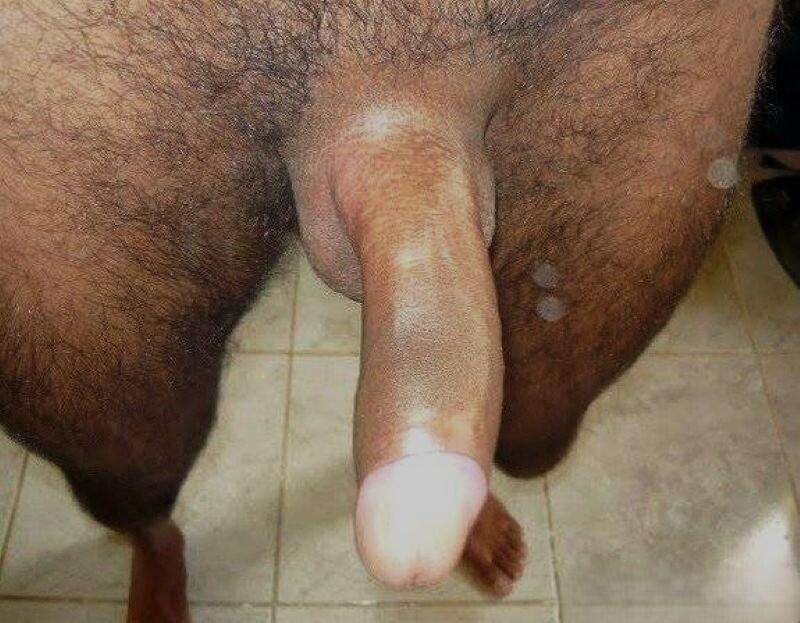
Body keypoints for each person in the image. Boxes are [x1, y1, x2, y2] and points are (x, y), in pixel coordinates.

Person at [0, 2, 777, 621]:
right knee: (124, 457)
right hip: (89, 29)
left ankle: (475, 471)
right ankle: (153, 535)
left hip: (597, 20)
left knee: (537, 424)